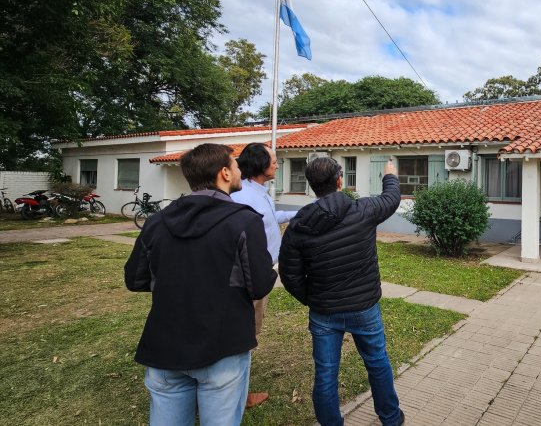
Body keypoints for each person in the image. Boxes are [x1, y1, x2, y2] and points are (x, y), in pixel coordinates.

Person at [124, 143, 277, 426]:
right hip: (223, 348)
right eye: (234, 165)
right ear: (224, 173)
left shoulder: (157, 222)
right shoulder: (244, 221)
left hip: (165, 344)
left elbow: (135, 278)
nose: (239, 170)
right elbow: (259, 286)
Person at [279, 157, 404, 426]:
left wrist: (313, 298)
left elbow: (290, 276)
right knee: (377, 362)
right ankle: (391, 419)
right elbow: (392, 197)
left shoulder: (299, 225)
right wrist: (390, 174)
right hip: (364, 308)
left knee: (326, 374)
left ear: (312, 186)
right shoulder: (364, 210)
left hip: (324, 313)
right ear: (339, 181)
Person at [230, 142, 298, 408]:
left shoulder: (260, 192)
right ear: (259, 164)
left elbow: (272, 217)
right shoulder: (242, 196)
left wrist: (301, 212)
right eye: (273, 160)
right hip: (249, 275)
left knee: (249, 333)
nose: (277, 164)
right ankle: (237, 396)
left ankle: (236, 390)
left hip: (262, 271)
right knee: (244, 335)